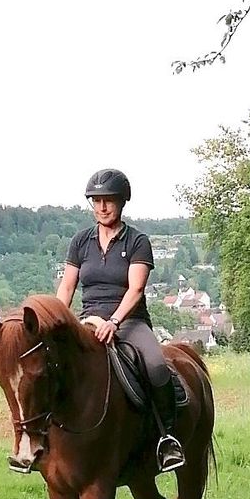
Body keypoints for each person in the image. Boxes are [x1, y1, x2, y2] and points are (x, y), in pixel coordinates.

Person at [56, 168, 186, 472]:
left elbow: (136, 289)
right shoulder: (80, 242)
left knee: (155, 365)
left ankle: (167, 439)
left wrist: (113, 321)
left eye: (108, 200)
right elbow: (66, 286)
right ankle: (44, 442)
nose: (102, 207)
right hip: (87, 320)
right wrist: (59, 320)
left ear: (121, 202)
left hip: (129, 322)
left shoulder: (138, 241)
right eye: (96, 200)